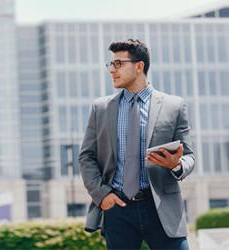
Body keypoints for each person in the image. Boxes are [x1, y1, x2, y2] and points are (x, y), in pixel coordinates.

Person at [78, 39, 195, 250]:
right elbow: (87, 157)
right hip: (118, 209)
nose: (112, 70)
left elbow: (189, 156)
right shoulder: (101, 108)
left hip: (161, 207)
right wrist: (102, 195)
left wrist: (175, 165)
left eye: (118, 64)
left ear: (139, 66)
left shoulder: (173, 106)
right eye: (111, 65)